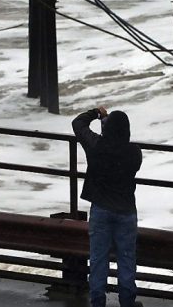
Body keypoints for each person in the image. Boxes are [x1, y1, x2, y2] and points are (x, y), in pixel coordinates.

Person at [72, 106, 143, 307]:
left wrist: (97, 113)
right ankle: (127, 302)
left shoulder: (96, 146)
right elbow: (116, 140)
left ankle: (98, 301)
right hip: (126, 212)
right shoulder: (134, 153)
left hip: (101, 209)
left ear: (106, 129)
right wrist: (107, 122)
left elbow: (78, 124)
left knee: (98, 259)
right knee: (127, 259)